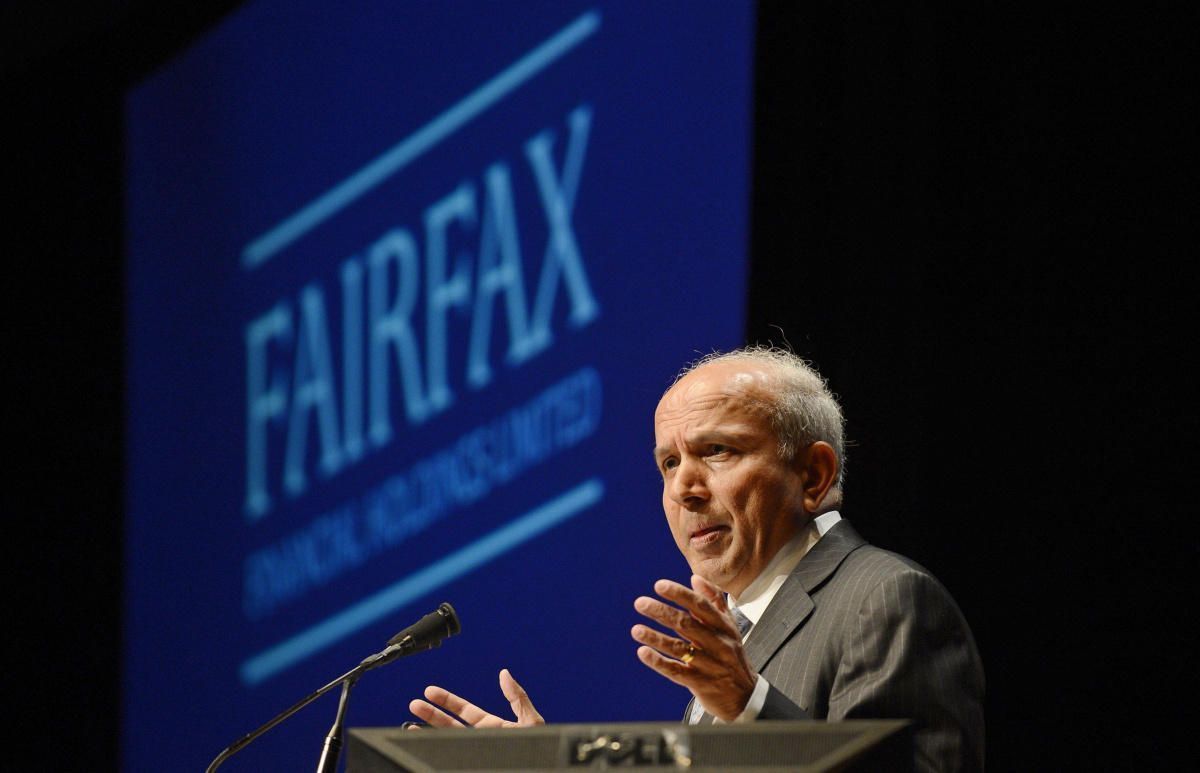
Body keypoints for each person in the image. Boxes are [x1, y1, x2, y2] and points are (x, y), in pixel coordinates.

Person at [408, 347, 985, 772]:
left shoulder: (882, 599)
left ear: (812, 476)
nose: (685, 488)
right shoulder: (736, 633)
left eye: (717, 451)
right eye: (668, 464)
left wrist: (749, 705)